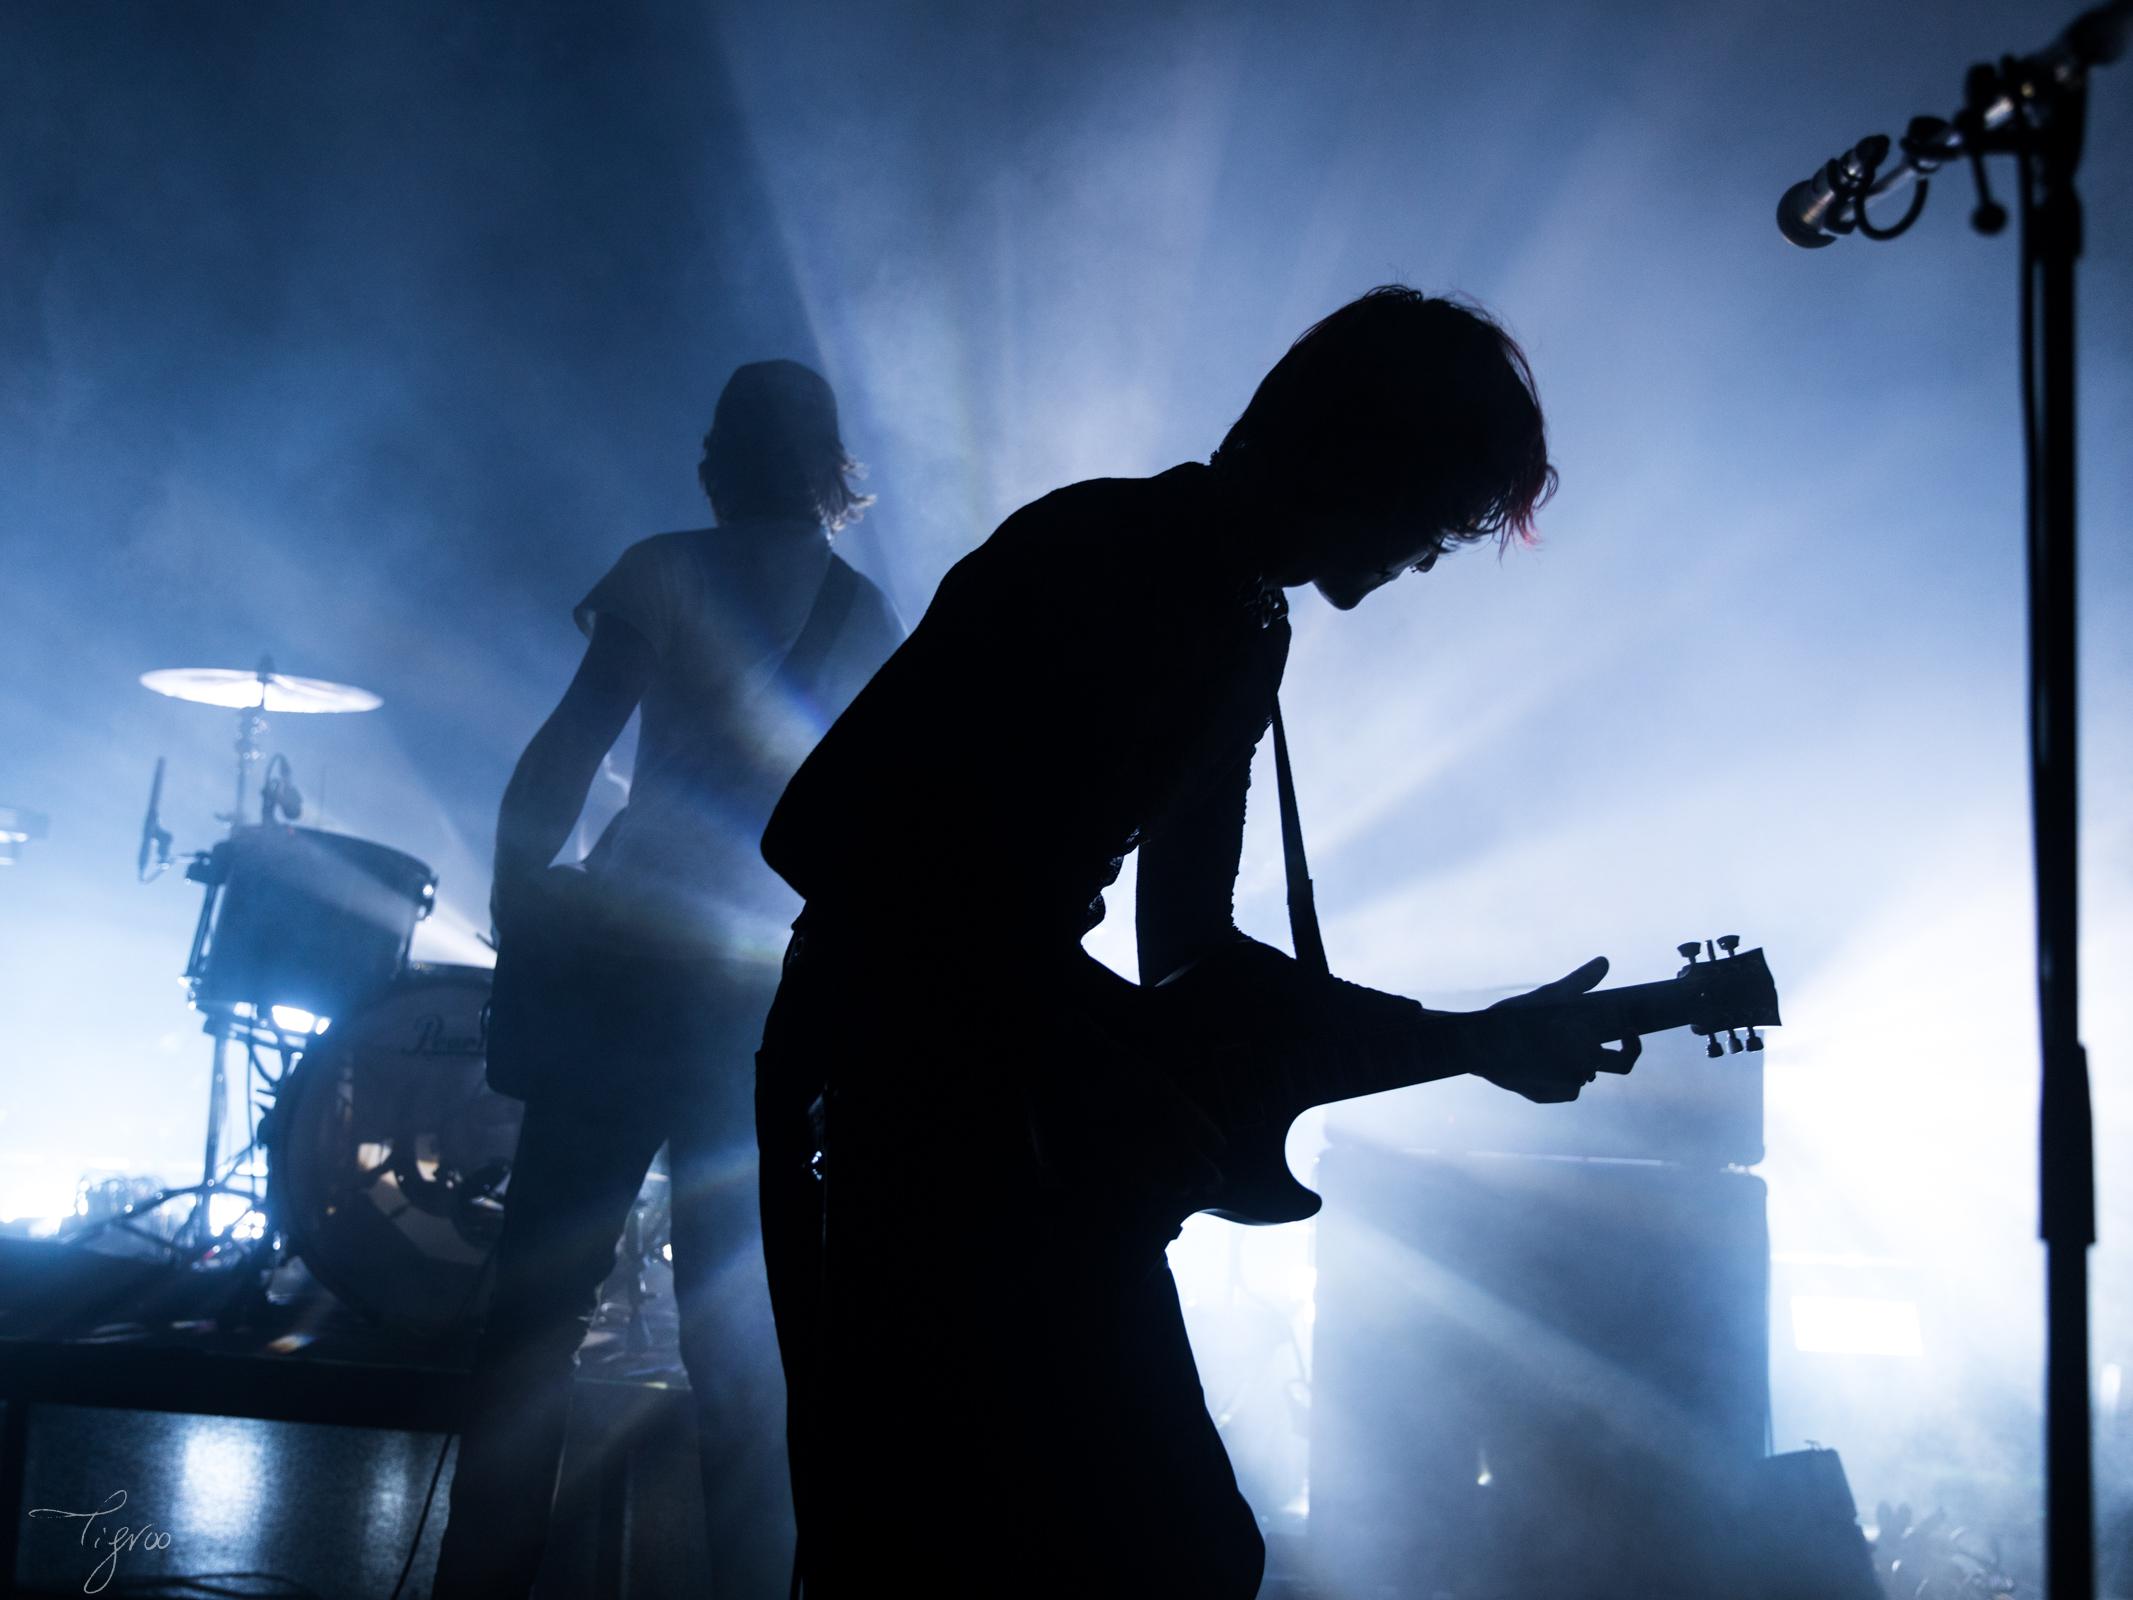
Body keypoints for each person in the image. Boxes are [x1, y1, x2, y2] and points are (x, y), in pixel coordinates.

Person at [753, 287, 1641, 1596]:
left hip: (1014, 1116)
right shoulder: (1093, 554)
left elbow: (1191, 963)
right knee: (975, 1547)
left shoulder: (1245, 626)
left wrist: (1470, 1041)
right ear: (1363, 456)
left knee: (1144, 1553)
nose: (1435, 552)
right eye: (1442, 509)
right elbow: (821, 834)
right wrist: (1078, 1044)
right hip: (886, 1093)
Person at [432, 360, 904, 1598]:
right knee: (742, 1336)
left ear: (717, 456)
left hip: (624, 971)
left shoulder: (664, 568)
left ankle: (481, 1584)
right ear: (832, 468)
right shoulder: (870, 616)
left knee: (536, 1319)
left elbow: (568, 752)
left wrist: (518, 901)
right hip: (762, 988)